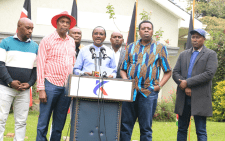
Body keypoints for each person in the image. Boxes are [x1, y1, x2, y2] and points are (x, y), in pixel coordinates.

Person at [120, 20, 172, 141]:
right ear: (139, 31)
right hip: (130, 92)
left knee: (146, 128)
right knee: (125, 126)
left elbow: (168, 71)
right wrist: (126, 81)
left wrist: (158, 86)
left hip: (148, 92)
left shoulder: (160, 47)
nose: (146, 30)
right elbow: (123, 69)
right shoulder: (131, 47)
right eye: (144, 28)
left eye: (149, 28)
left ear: (152, 31)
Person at [36, 11, 76, 141]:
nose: (64, 24)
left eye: (67, 22)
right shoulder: (47, 40)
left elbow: (73, 62)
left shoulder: (71, 41)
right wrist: (41, 89)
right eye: (62, 22)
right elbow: (40, 64)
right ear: (56, 24)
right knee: (43, 122)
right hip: (50, 85)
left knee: (59, 122)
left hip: (66, 87)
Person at [173, 28, 218, 141]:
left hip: (200, 97)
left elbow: (209, 74)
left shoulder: (210, 54)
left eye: (198, 37)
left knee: (201, 130)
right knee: (182, 129)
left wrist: (187, 82)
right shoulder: (183, 54)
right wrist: (184, 86)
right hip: (183, 97)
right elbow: (175, 72)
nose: (195, 39)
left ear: (204, 39)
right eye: (193, 37)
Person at [0, 18, 38, 141]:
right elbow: (0, 65)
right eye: (28, 28)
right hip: (5, 87)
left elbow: (36, 69)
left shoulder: (35, 46)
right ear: (19, 26)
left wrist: (30, 84)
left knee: (21, 121)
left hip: (24, 90)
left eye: (32, 28)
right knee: (1, 119)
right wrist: (10, 81)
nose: (30, 31)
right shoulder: (5, 42)